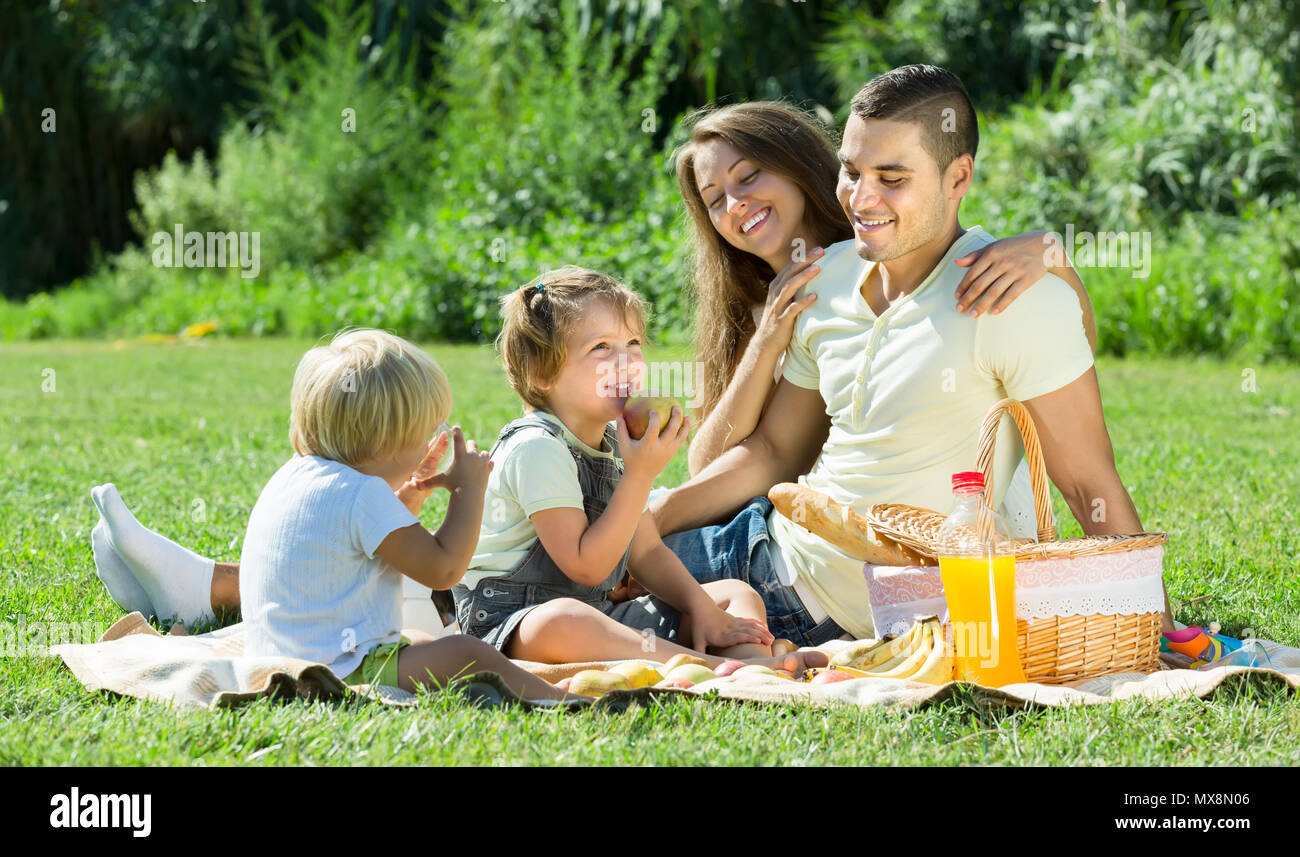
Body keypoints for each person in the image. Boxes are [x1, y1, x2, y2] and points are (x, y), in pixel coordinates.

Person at [651, 64, 1173, 641]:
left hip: (825, 601)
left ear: (958, 178)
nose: (862, 197)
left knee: (564, 591)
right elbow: (774, 448)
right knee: (570, 555)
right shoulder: (823, 278)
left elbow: (1089, 482)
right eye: (851, 172)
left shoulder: (1010, 294)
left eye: (891, 177)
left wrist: (1157, 632)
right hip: (763, 547)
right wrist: (650, 521)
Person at [99, 328, 579, 700]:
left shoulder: (301, 476)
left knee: (415, 635)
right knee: (468, 653)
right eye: (424, 434)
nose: (432, 441)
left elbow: (387, 544)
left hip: (280, 653)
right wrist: (469, 491)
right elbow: (443, 567)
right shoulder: (361, 495)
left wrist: (409, 490)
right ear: (388, 441)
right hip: (340, 668)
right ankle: (563, 699)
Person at [455, 267, 825, 673]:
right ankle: (708, 664)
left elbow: (647, 552)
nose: (626, 359)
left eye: (632, 342)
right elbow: (587, 566)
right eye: (600, 347)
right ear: (540, 372)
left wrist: (703, 610)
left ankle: (747, 663)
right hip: (512, 625)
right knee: (562, 619)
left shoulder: (615, 443)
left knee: (732, 595)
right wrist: (640, 476)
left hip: (597, 619)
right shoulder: (537, 448)